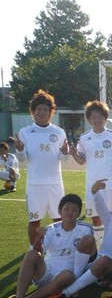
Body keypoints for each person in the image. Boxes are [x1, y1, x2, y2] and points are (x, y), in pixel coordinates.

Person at [44, 180, 112, 298]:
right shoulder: (111, 219)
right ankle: (77, 279)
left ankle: (66, 293)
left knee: (105, 260)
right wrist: (95, 192)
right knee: (88, 240)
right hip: (99, 262)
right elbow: (101, 206)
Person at [0, 194, 95, 298]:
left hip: (66, 278)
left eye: (74, 210)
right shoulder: (50, 229)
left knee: (67, 275)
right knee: (31, 254)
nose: (70, 213)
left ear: (79, 213)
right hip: (45, 273)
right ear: (60, 211)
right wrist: (38, 238)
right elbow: (38, 251)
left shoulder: (86, 229)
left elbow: (91, 254)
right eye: (66, 209)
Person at [9, 90, 69, 244]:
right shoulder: (25, 132)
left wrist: (65, 152)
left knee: (59, 219)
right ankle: (34, 249)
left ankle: (59, 248)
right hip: (35, 184)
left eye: (45, 109)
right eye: (39, 109)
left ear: (51, 112)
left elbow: (63, 158)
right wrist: (20, 149)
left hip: (55, 183)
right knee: (34, 221)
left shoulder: (59, 132)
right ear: (33, 111)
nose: (42, 112)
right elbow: (22, 159)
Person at [69, 100, 112, 247]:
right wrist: (73, 154)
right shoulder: (84, 138)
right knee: (96, 218)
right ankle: (100, 248)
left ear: (105, 118)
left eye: (100, 116)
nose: (97, 120)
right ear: (89, 119)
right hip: (92, 187)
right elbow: (81, 161)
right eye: (93, 117)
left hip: (110, 185)